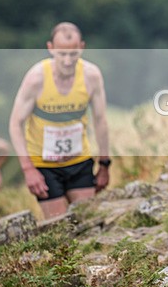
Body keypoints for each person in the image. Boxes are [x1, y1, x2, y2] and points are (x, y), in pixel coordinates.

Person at [9, 22, 111, 219]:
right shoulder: (36, 78)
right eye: (61, 54)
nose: (67, 61)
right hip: (44, 165)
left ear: (82, 47)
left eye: (73, 54)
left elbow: (101, 121)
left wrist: (105, 164)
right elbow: (15, 124)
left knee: (87, 222)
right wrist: (28, 168)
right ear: (50, 48)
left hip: (79, 160)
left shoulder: (91, 76)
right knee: (60, 227)